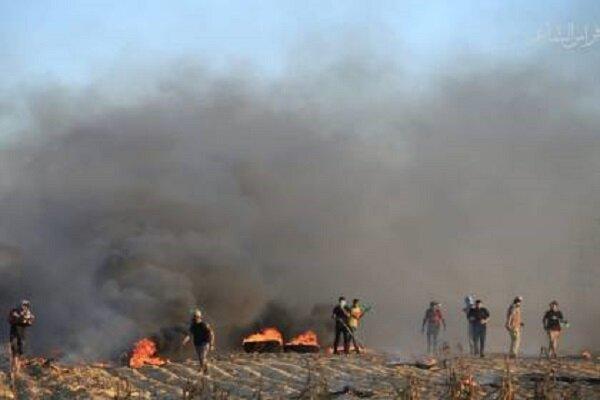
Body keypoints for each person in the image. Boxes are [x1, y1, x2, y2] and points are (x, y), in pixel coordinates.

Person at [8, 299, 35, 376]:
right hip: (14, 335)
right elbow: (11, 320)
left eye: (26, 306)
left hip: (21, 336)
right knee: (14, 353)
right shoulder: (14, 311)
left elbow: (29, 322)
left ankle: (17, 370)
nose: (24, 307)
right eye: (23, 305)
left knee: (20, 353)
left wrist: (26, 319)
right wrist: (21, 317)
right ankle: (13, 370)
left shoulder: (28, 314)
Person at [182, 309, 215, 373]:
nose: (194, 319)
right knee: (201, 358)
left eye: (195, 317)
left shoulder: (204, 325)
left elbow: (211, 334)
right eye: (193, 317)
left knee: (202, 357)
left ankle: (201, 369)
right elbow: (189, 334)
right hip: (197, 344)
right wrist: (185, 340)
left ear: (199, 317)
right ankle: (206, 370)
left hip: (205, 343)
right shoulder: (193, 326)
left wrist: (211, 344)